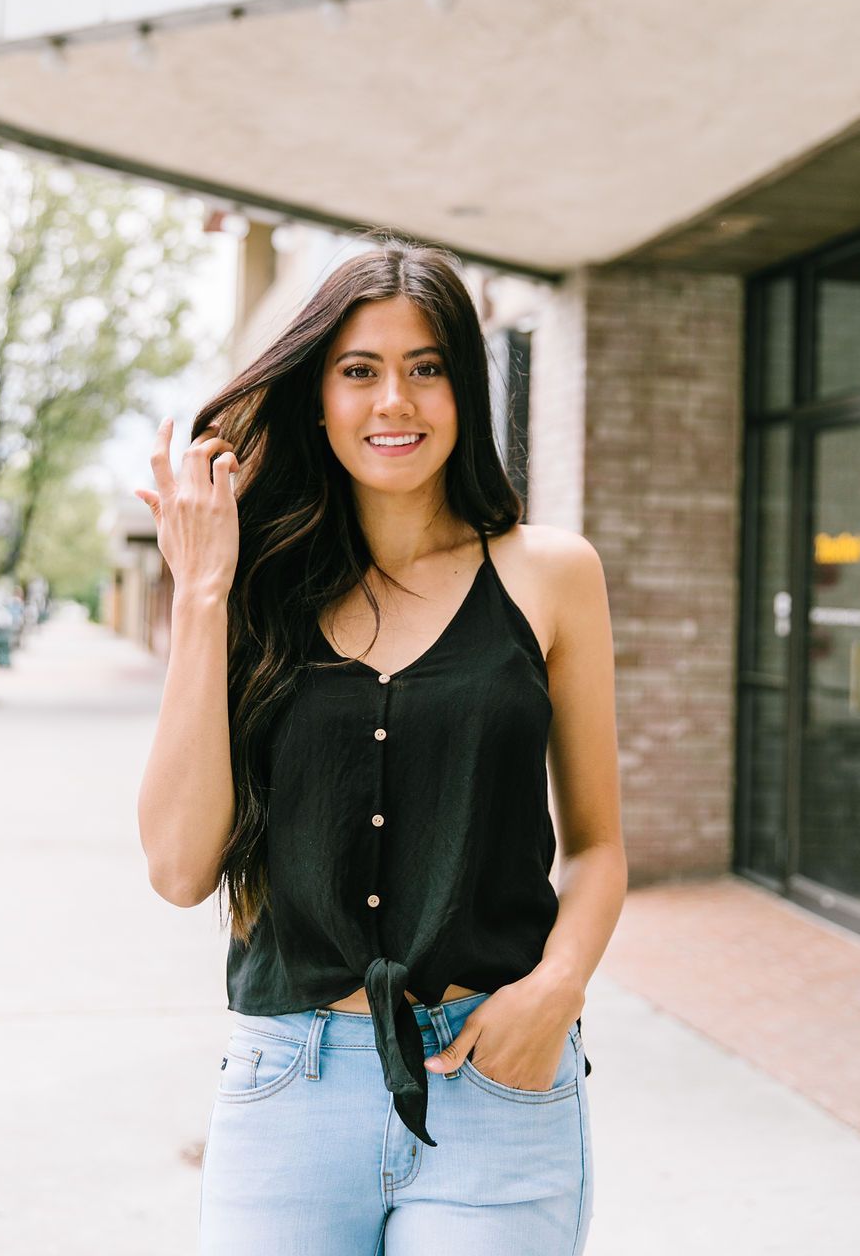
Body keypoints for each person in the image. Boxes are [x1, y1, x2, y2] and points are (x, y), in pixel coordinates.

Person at [136, 237, 627, 1255]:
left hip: (496, 1080)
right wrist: (203, 595)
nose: (392, 401)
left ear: (465, 390)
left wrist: (555, 992)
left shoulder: (552, 577)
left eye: (426, 368)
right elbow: (181, 868)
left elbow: (597, 846)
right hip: (288, 1088)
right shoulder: (256, 593)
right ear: (318, 396)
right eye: (359, 371)